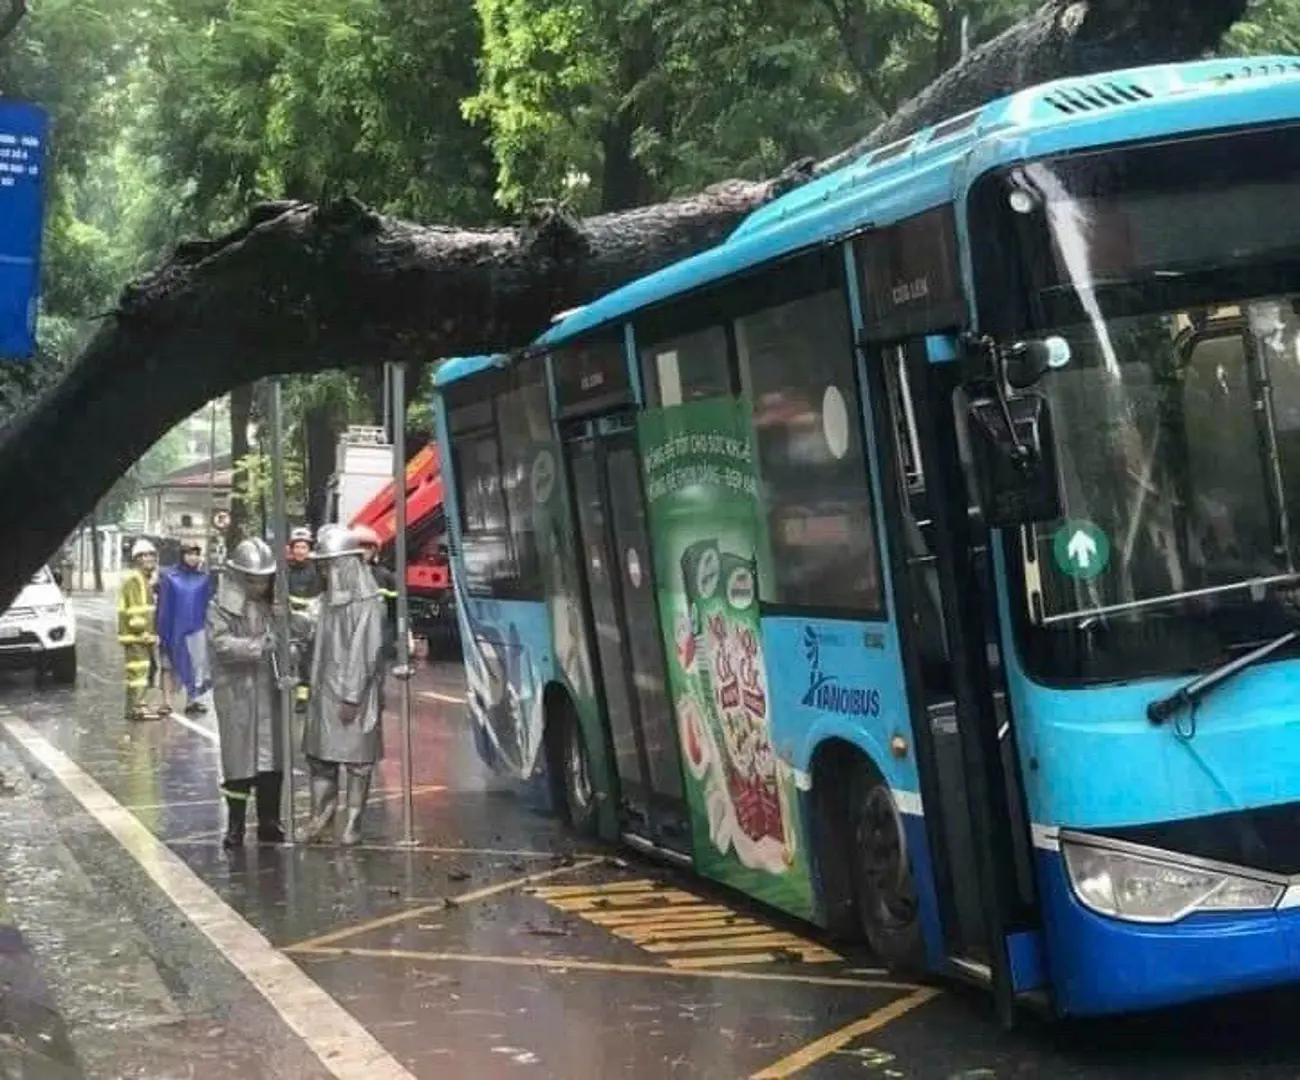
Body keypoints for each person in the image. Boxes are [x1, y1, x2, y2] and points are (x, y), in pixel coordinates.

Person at [302, 524, 385, 846]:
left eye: (329, 564)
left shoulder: (367, 601)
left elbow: (365, 652)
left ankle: (352, 824)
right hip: (324, 690)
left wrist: (351, 696)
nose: (324, 570)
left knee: (358, 762)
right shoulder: (328, 601)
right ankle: (320, 820)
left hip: (354, 694)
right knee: (320, 757)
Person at [206, 538, 291, 849]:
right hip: (237, 691)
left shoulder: (275, 605)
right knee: (239, 760)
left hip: (269, 689)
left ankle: (269, 820)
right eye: (254, 579)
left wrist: (287, 622)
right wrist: (257, 646)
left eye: (265, 578)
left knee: (272, 759)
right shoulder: (219, 606)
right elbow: (221, 644)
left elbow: (294, 638)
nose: (260, 585)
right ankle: (236, 824)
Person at [157, 543, 215, 715]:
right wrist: (161, 630)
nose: (193, 557)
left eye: (196, 554)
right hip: (172, 627)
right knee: (168, 665)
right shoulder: (170, 577)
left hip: (197, 629)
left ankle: (193, 699)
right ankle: (166, 702)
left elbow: (208, 605)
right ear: (182, 555)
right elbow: (164, 606)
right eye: (189, 554)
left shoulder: (203, 579)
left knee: (196, 666)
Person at [117, 538, 170, 721]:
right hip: (137, 637)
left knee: (148, 670)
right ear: (136, 559)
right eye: (144, 555)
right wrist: (145, 633)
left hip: (141, 637)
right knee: (138, 673)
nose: (149, 559)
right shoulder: (135, 580)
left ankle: (138, 705)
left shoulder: (144, 581)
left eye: (151, 555)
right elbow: (135, 613)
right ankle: (137, 708)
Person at [285, 526, 320, 713]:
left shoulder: (316, 571)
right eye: (297, 547)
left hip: (310, 623)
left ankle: (302, 698)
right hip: (288, 622)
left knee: (306, 663)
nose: (300, 551)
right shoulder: (284, 570)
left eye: (303, 547)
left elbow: (319, 597)